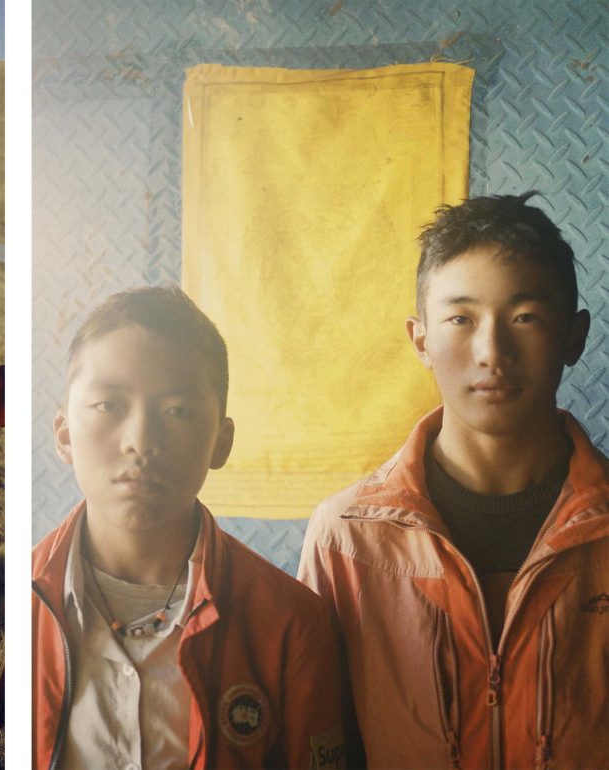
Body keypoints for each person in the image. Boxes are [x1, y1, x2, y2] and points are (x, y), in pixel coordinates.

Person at [298, 192, 608, 769]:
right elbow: (322, 745)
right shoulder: (348, 539)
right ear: (421, 340)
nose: (492, 351)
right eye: (460, 319)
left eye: (525, 318)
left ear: (574, 335)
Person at [33, 286, 347, 770]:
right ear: (64, 434)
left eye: (177, 411)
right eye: (109, 406)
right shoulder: (18, 599)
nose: (140, 441)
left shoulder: (290, 623)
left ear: (221, 442)